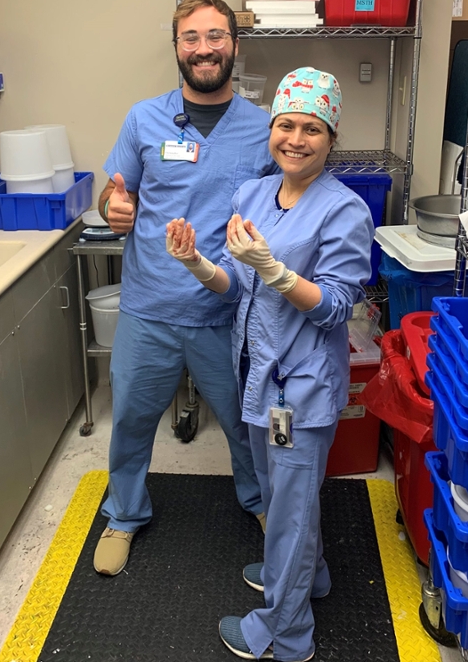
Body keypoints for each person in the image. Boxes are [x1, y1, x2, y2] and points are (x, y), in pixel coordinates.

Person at [166, 66, 374, 662]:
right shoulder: (253, 194)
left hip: (300, 385)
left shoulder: (344, 210)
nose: (296, 138)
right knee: (284, 495)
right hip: (258, 373)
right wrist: (197, 265)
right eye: (286, 124)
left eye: (313, 128)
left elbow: (335, 308)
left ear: (331, 138)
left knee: (289, 507)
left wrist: (275, 270)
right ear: (272, 127)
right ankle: (308, 576)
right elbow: (239, 290)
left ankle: (285, 633)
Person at [94, 0, 278, 577]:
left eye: (215, 36)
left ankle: (261, 505)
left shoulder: (262, 130)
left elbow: (284, 208)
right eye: (191, 38)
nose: (204, 49)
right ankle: (124, 513)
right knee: (129, 419)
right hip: (149, 307)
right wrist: (114, 205)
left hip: (227, 311)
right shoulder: (143, 118)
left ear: (234, 44)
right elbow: (114, 192)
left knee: (247, 426)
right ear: (176, 48)